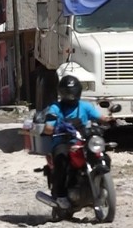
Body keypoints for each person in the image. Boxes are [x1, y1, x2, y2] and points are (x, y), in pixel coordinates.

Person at [43, 75, 113, 209]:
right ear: (62, 93)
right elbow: (48, 126)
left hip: (82, 140)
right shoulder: (55, 108)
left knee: (103, 156)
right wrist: (49, 127)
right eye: (68, 93)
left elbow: (101, 118)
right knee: (61, 158)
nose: (71, 96)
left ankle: (103, 186)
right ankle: (61, 195)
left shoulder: (85, 106)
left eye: (73, 92)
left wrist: (111, 119)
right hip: (62, 141)